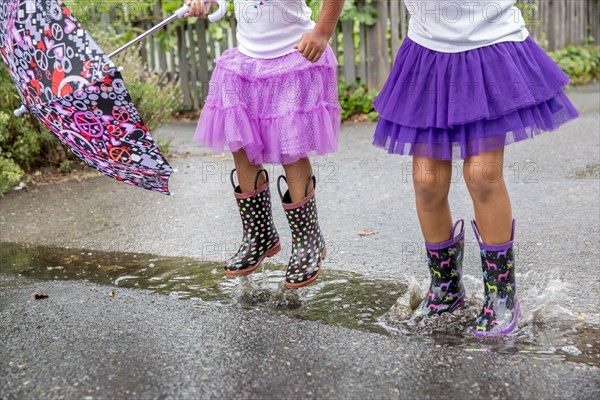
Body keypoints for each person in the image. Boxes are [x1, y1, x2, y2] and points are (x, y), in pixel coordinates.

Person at [372, 1, 579, 336]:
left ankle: (501, 295)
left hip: (489, 44)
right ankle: (445, 288)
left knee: (483, 174)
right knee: (427, 181)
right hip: (428, 52)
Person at [185, 0, 343, 288]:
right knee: (241, 148)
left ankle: (308, 240)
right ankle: (259, 235)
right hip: (245, 62)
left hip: (294, 56)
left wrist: (322, 31)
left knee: (290, 147)